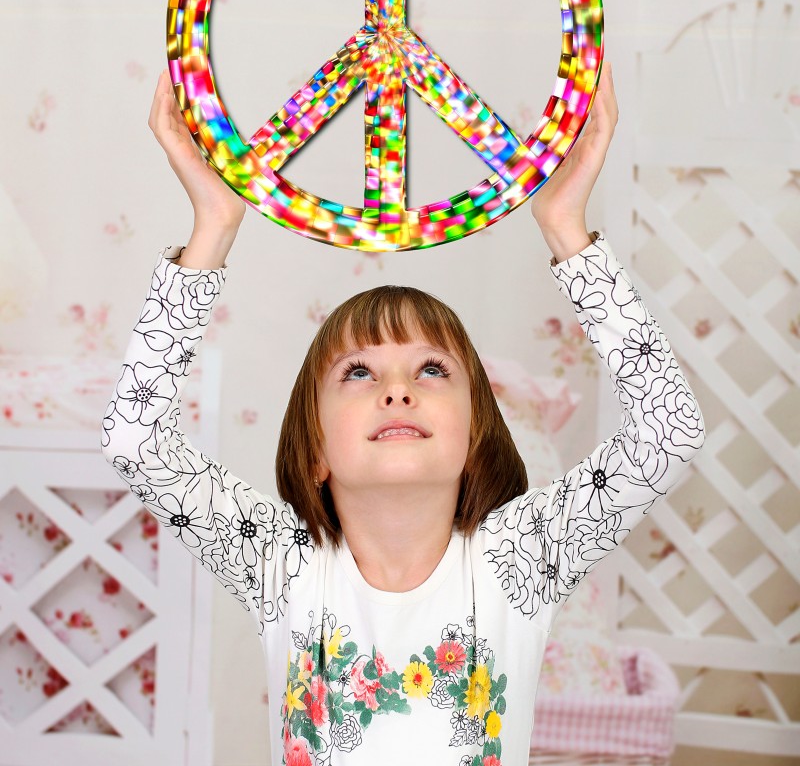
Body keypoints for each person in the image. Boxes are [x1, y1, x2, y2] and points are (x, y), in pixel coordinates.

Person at [101, 63, 705, 766]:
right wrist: (214, 223)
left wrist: (566, 228)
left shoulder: (517, 561)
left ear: (477, 439)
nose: (397, 389)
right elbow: (136, 440)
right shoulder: (284, 567)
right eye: (358, 372)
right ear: (315, 450)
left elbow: (669, 431)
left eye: (431, 369)